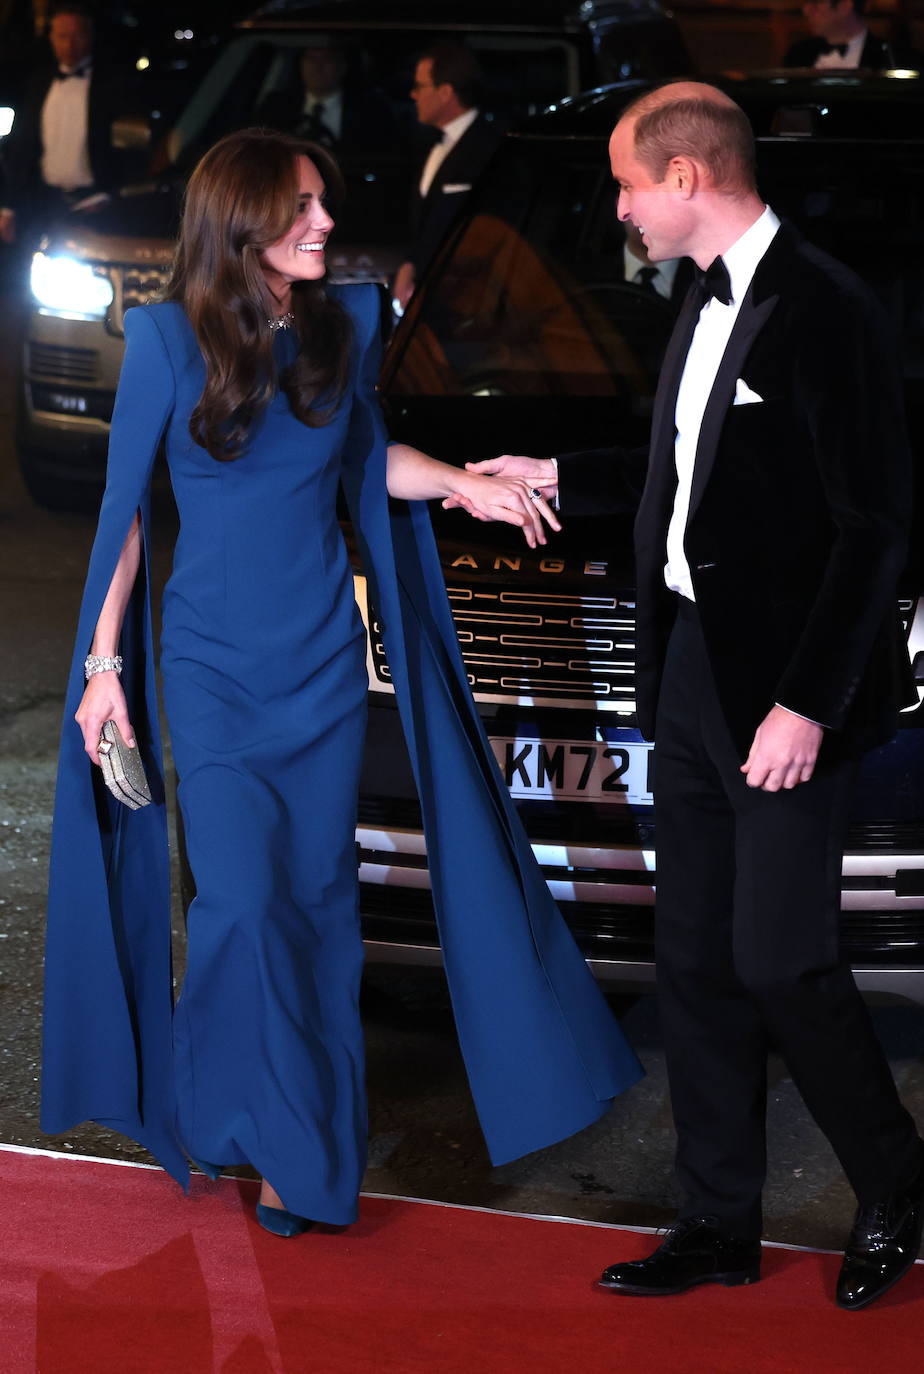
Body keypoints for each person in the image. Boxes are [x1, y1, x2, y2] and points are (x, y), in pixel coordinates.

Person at [42, 128, 643, 1237]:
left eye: (325, 201)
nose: (326, 223)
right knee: (237, 905)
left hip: (319, 668)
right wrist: (101, 668)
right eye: (302, 208)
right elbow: (125, 519)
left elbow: (367, 461)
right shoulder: (167, 343)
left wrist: (464, 484)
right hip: (213, 673)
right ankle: (243, 1115)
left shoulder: (344, 328)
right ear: (242, 224)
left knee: (316, 914)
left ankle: (297, 1155)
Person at [464, 82, 924, 1311]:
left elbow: (872, 531)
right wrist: (557, 471)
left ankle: (895, 1175)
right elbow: (688, 474)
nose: (617, 209)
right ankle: (717, 1220)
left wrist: (806, 705)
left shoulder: (828, 312)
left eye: (627, 185)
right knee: (695, 967)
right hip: (686, 678)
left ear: (685, 180)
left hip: (780, 697)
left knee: (782, 963)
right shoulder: (696, 302)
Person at [0, 2, 138, 246]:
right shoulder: (39, 83)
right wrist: (8, 207)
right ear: (51, 38)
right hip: (41, 201)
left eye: (77, 36)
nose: (70, 45)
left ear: (90, 36)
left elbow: (128, 144)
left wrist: (109, 193)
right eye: (62, 36)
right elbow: (23, 147)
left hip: (94, 205)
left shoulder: (111, 86)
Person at [391, 42, 502, 313]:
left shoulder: (491, 148)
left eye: (420, 86)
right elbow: (425, 222)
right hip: (429, 298)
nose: (413, 95)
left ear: (445, 93)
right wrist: (410, 263)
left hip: (470, 301)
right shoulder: (429, 144)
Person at [255, 40, 398, 161]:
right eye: (311, 58)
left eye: (327, 58)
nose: (318, 66)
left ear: (342, 66)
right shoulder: (276, 105)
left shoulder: (371, 111)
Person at [782, 0, 892, 68]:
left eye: (817, 2)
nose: (805, 10)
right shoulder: (798, 54)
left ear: (845, 6)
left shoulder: (889, 57)